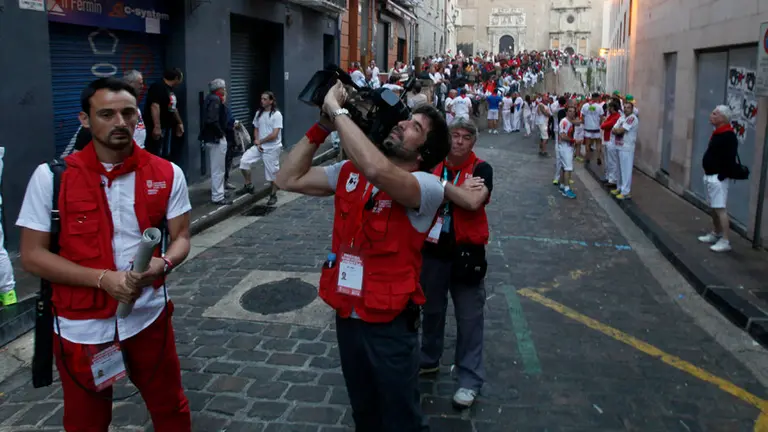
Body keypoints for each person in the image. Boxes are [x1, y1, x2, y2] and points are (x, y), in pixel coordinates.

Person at [17, 78, 192, 431]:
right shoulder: (51, 178)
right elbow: (33, 256)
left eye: (128, 113)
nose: (120, 122)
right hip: (82, 328)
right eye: (106, 114)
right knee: (86, 422)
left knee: (170, 406)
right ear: (85, 119)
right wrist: (102, 279)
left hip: (147, 318)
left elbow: (182, 237)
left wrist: (165, 261)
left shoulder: (168, 173)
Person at [276, 80, 450, 432]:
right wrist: (322, 125)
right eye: (406, 119)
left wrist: (338, 111)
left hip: (390, 325)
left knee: (401, 420)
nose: (401, 123)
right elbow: (286, 177)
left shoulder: (427, 188)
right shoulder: (349, 173)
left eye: (415, 127)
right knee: (364, 414)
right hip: (348, 316)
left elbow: (378, 171)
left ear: (424, 153)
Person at [419, 118, 492, 409]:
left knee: (469, 318)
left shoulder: (481, 169)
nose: (459, 141)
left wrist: (441, 186)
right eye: (455, 135)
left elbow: (473, 202)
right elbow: (418, 197)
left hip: (466, 254)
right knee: (432, 310)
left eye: (465, 137)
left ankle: (470, 379)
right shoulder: (433, 164)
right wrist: (455, 188)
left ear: (473, 142)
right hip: (433, 250)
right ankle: (428, 358)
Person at [698, 105, 738, 253]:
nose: (711, 115)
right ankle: (716, 232)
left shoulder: (728, 136)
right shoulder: (718, 133)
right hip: (710, 175)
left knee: (720, 208)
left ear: (722, 118)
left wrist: (721, 175)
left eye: (715, 114)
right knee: (714, 208)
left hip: (718, 177)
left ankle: (725, 240)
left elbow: (729, 158)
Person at [238, 91, 283, 206]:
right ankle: (248, 185)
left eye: (264, 99)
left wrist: (260, 141)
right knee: (244, 162)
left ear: (271, 101)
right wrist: (257, 143)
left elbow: (274, 135)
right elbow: (256, 128)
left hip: (272, 148)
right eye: (261, 99)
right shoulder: (259, 113)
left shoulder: (276, 115)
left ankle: (273, 195)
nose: (262, 101)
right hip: (259, 147)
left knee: (272, 174)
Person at [199, 78, 231, 205]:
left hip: (212, 138)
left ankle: (219, 192)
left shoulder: (211, 98)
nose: (225, 90)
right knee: (218, 169)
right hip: (216, 139)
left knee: (217, 168)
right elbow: (212, 120)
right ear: (219, 89)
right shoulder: (215, 100)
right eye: (223, 88)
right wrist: (221, 134)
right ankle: (218, 196)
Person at [144, 68, 185, 160]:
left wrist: (179, 123)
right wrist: (157, 126)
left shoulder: (170, 90)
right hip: (156, 127)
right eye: (181, 78)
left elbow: (173, 108)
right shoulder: (158, 87)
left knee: (165, 153)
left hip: (167, 127)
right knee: (154, 152)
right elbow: (155, 106)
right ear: (176, 78)